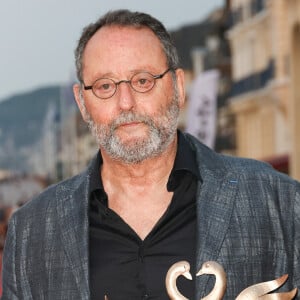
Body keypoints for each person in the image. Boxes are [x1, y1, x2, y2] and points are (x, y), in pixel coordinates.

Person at [2, 9, 300, 300]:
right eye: (105, 86)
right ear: (82, 102)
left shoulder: (278, 202)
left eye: (143, 80)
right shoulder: (32, 231)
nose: (126, 102)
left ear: (178, 87)